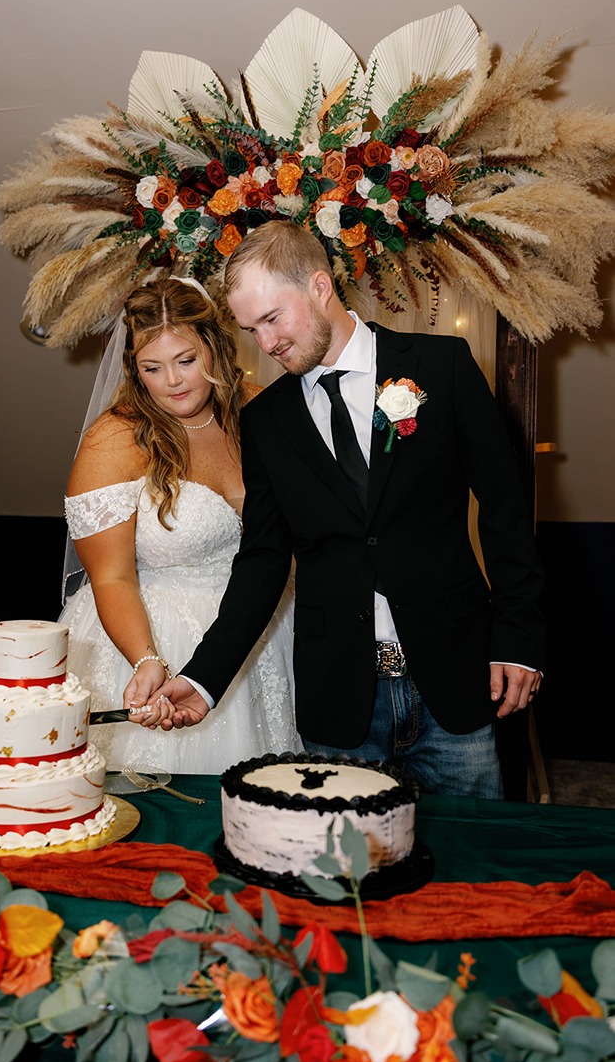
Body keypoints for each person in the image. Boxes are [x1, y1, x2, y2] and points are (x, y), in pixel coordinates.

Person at [151, 222, 545, 798]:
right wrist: (204, 678)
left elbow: (505, 508)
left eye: (273, 318)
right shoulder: (265, 421)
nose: (266, 343)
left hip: (455, 675)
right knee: (346, 854)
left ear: (319, 286)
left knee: (472, 848)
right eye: (251, 329)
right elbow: (262, 560)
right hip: (339, 694)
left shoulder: (442, 365)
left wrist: (518, 638)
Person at [59, 275, 300, 774]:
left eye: (186, 360)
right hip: (151, 635)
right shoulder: (115, 440)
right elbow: (111, 577)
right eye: (153, 367)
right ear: (134, 367)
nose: (173, 381)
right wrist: (146, 658)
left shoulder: (262, 410)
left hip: (265, 626)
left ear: (214, 345)